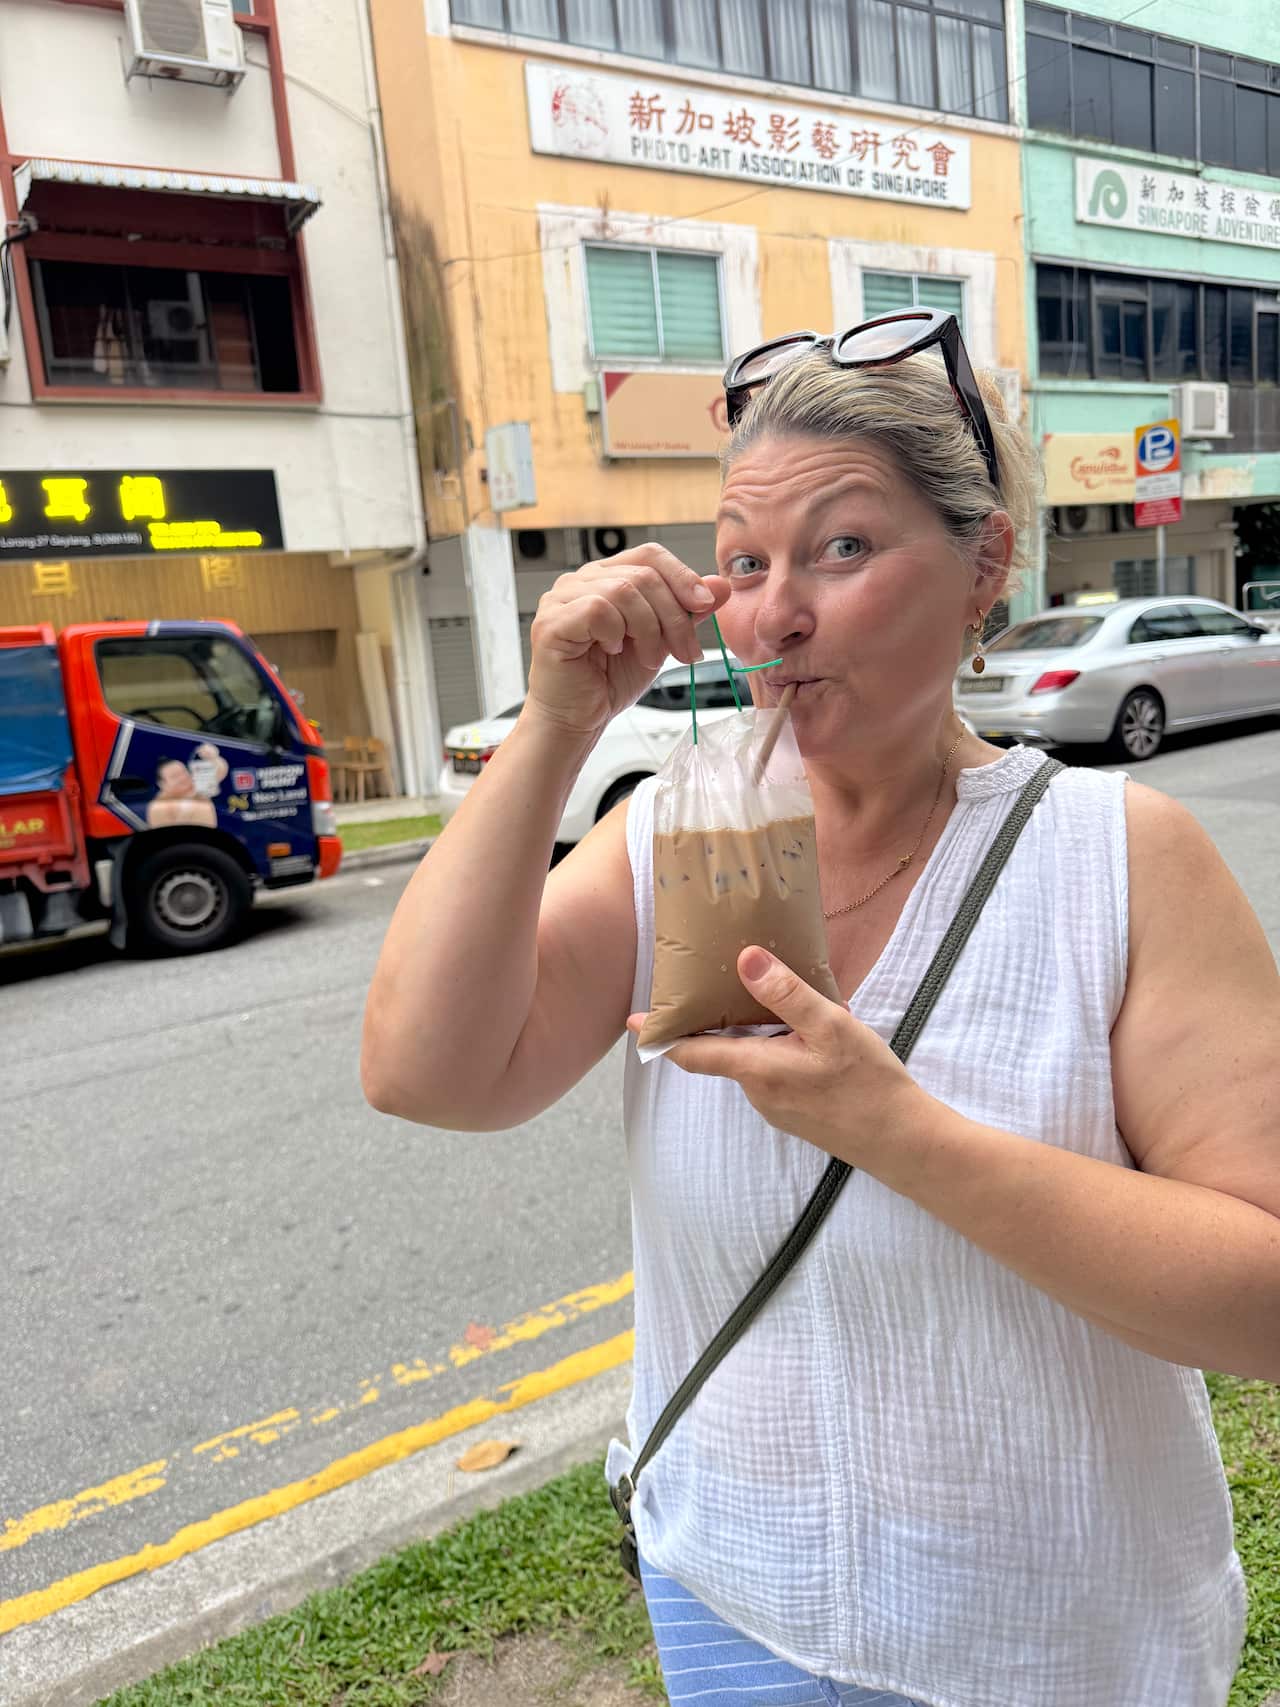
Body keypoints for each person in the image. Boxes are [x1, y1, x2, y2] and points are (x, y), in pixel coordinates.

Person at [362, 316, 1280, 1707]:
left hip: (1056, 1644)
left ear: (986, 565)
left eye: (842, 549)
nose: (774, 612)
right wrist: (552, 729)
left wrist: (896, 1131)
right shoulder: (682, 830)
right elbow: (428, 1072)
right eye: (743, 560)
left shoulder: (1119, 857)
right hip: (737, 1599)